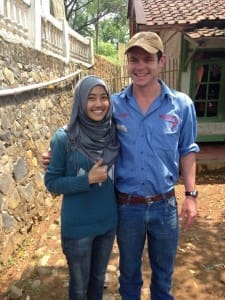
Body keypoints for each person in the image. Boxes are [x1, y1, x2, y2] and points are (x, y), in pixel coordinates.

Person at [43, 31, 199, 300]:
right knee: (128, 276)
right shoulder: (114, 104)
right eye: (134, 59)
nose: (140, 67)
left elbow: (187, 150)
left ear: (162, 61)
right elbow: (84, 123)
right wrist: (58, 150)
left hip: (165, 206)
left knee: (163, 277)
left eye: (147, 59)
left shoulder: (181, 106)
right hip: (127, 208)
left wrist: (191, 195)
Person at [44, 75, 120, 300]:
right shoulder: (64, 138)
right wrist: (86, 180)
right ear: (79, 101)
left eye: (103, 97)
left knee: (97, 281)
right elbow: (52, 183)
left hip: (107, 224)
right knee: (78, 288)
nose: (99, 104)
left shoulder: (112, 133)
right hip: (78, 230)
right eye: (91, 98)